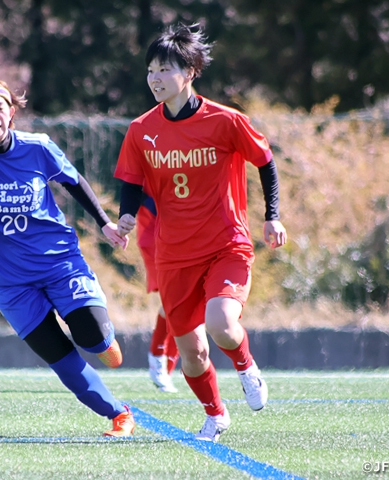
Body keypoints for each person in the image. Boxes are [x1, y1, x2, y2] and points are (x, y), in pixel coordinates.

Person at [0, 45, 135, 437]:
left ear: (11, 112)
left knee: (93, 337)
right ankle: (119, 415)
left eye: (0, 107)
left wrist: (103, 223)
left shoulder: (38, 146)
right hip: (12, 284)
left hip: (60, 264)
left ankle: (103, 340)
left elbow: (73, 181)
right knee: (61, 359)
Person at [114, 25, 287, 442]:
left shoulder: (226, 120)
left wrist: (273, 216)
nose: (155, 78)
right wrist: (125, 216)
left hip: (226, 244)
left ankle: (246, 367)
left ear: (190, 72)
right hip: (174, 253)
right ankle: (216, 414)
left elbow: (264, 161)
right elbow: (131, 182)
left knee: (221, 323)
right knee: (192, 354)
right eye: (151, 70)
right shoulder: (141, 129)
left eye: (165, 69)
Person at [137, 192, 180, 393]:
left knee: (194, 304)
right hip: (157, 227)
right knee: (175, 302)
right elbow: (133, 185)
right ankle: (159, 360)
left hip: (188, 231)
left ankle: (165, 368)